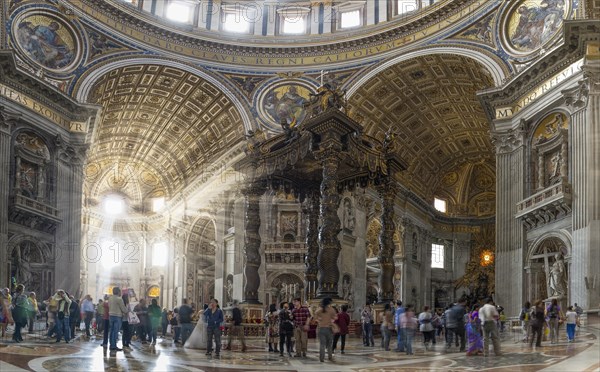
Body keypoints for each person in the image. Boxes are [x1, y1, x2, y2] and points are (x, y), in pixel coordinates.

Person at [314, 297, 336, 362]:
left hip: (321, 328)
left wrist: (319, 320)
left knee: (322, 344)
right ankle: (330, 357)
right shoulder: (331, 309)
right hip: (329, 328)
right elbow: (335, 318)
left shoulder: (319, 310)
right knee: (329, 344)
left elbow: (315, 318)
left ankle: (321, 358)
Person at [108, 287, 128, 352]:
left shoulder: (110, 298)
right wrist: (127, 311)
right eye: (120, 291)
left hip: (111, 316)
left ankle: (111, 345)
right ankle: (113, 346)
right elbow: (123, 309)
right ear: (118, 292)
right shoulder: (119, 299)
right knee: (115, 332)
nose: (120, 293)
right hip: (117, 316)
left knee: (111, 331)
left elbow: (109, 306)